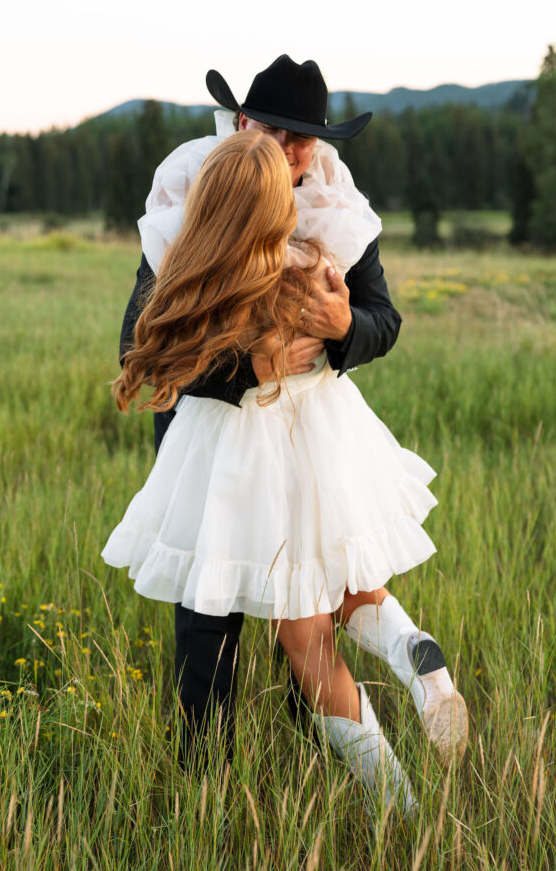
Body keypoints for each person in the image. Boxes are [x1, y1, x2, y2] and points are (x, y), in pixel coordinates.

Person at [116, 56, 468, 771]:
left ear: (320, 144)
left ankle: (333, 763)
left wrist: (342, 327)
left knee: (302, 612)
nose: (288, 150)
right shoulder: (198, 196)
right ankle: (207, 767)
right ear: (242, 123)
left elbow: (382, 320)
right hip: (221, 436)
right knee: (214, 617)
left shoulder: (338, 211)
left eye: (303, 139)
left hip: (308, 432)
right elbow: (141, 339)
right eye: (274, 131)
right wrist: (252, 368)